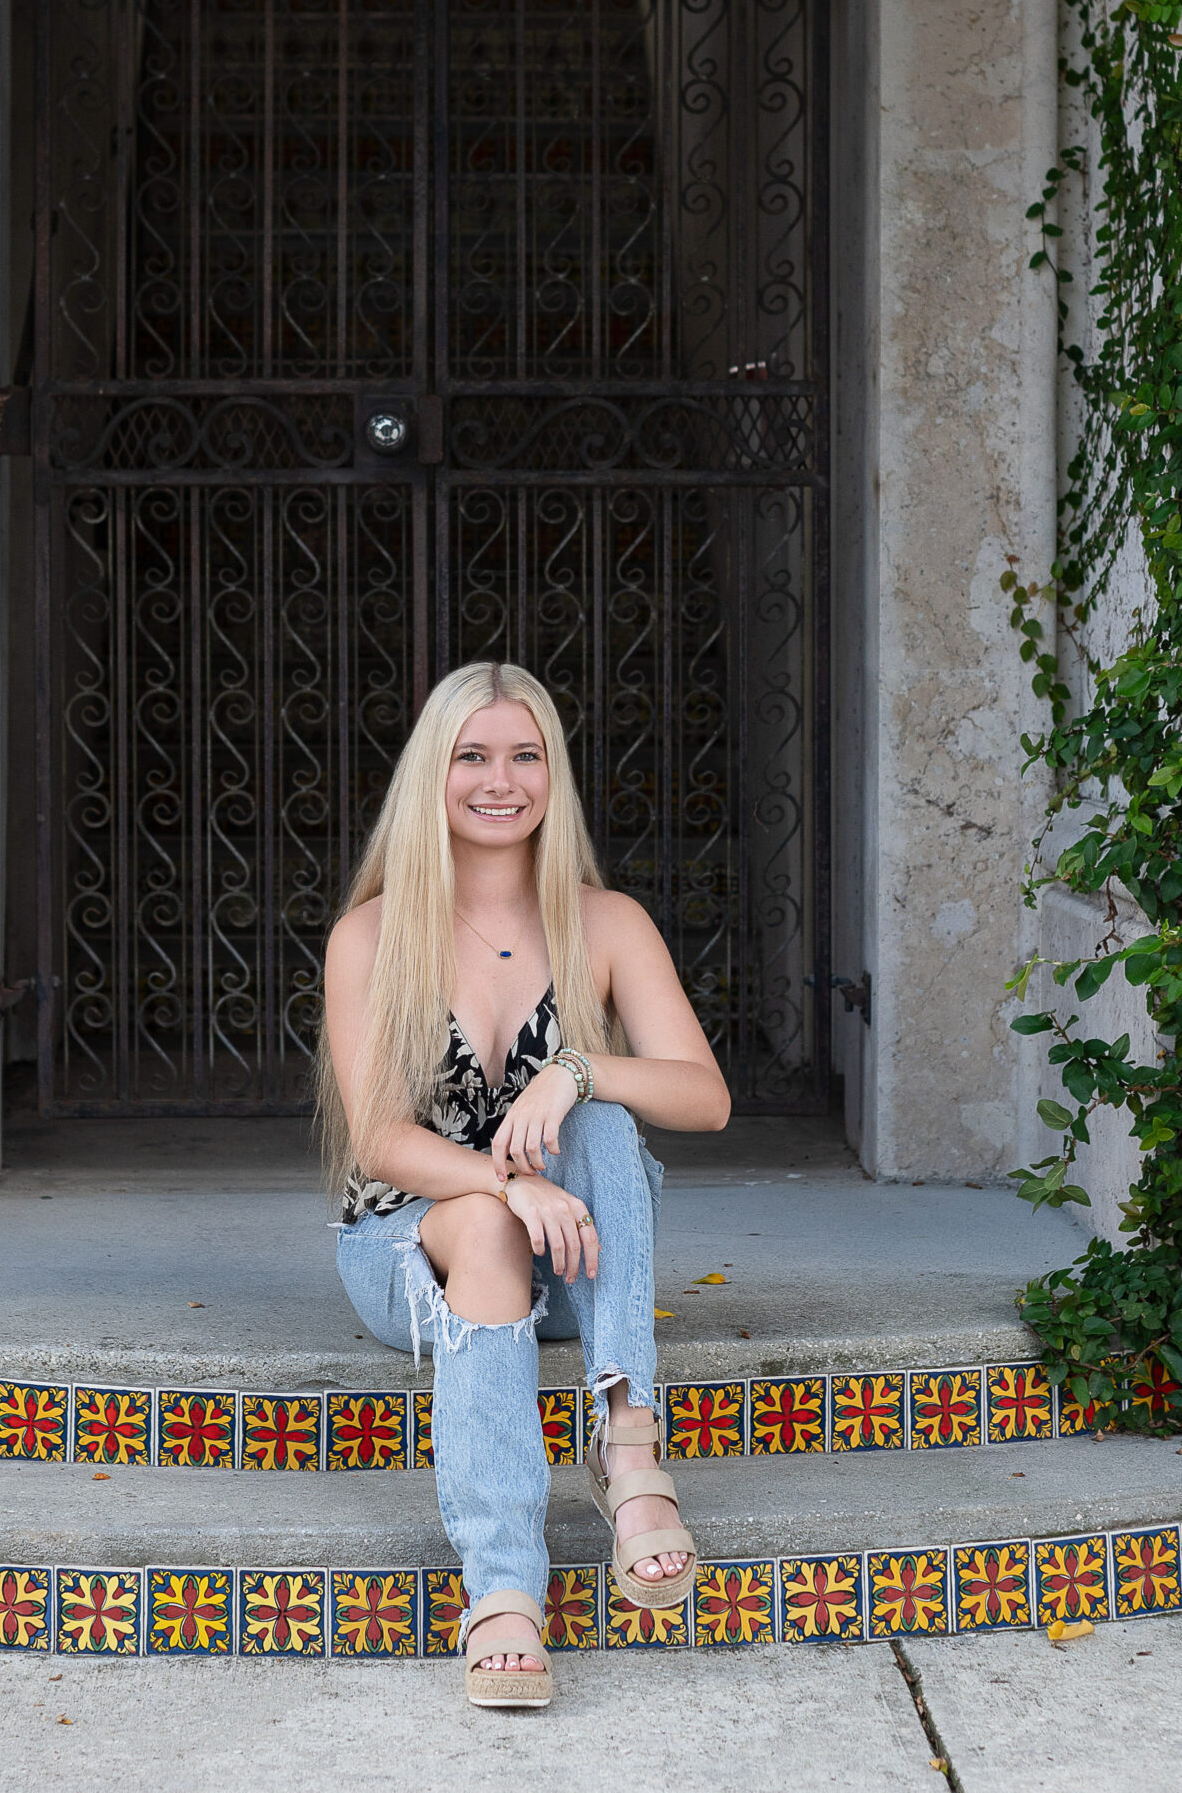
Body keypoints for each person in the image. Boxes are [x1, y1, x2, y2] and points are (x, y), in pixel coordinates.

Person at [321, 660, 730, 1707]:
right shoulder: (371, 935)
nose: (498, 779)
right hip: (414, 1246)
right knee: (491, 1233)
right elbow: (375, 1139)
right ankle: (504, 1588)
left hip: (575, 1252)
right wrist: (505, 1191)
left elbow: (705, 1097)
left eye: (524, 754)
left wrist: (577, 1067)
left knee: (601, 1113)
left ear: (553, 773)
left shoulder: (608, 922)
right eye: (471, 755)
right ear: (433, 774)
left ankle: (630, 1450)